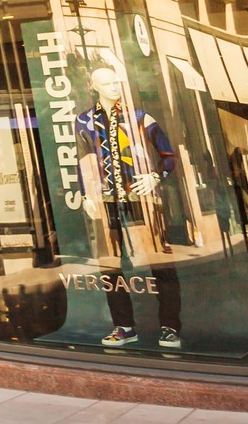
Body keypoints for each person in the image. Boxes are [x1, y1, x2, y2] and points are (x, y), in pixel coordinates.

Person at [75, 62, 189, 350]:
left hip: (143, 200)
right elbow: (84, 161)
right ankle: (124, 326)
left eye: (116, 82)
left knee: (160, 263)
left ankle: (170, 326)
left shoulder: (139, 117)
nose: (114, 87)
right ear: (94, 87)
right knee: (111, 266)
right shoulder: (84, 122)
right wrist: (87, 195)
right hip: (106, 202)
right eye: (107, 83)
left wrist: (154, 177)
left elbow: (168, 155)